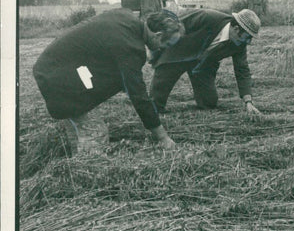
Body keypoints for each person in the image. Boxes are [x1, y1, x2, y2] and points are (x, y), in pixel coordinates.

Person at [33, 8, 185, 154]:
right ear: (158, 35)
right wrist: (162, 137)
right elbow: (138, 95)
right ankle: (89, 169)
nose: (163, 49)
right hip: (60, 78)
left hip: (53, 69)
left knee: (79, 130)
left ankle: (77, 163)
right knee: (95, 133)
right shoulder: (131, 46)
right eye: (166, 45)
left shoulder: (125, 16)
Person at [150, 8, 263, 117]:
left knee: (209, 103)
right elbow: (171, 28)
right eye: (248, 37)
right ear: (236, 29)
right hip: (179, 56)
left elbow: (242, 70)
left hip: (203, 66)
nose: (248, 42)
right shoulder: (207, 17)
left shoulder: (239, 45)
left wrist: (248, 102)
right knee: (154, 105)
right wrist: (155, 52)